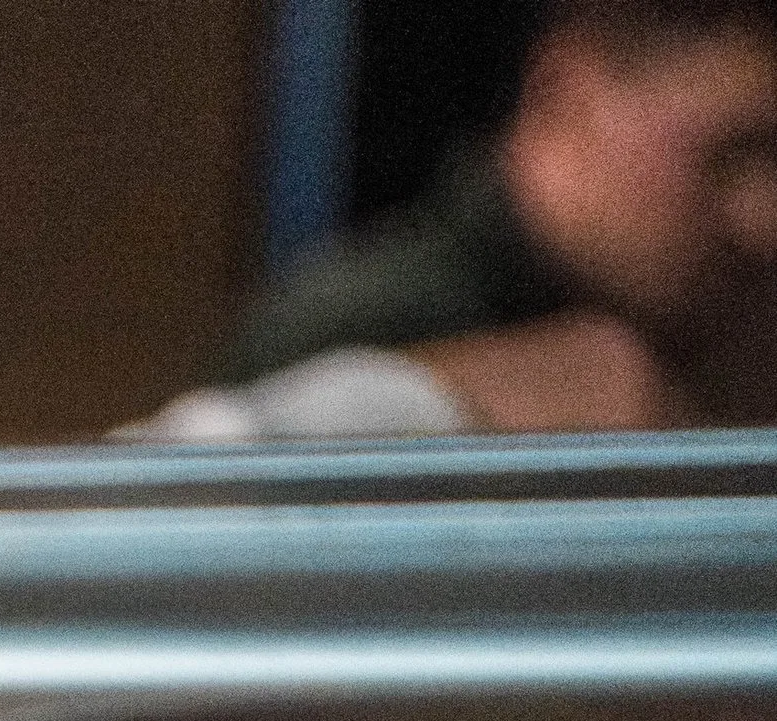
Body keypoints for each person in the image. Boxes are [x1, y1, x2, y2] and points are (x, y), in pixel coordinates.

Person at [158, 0, 777, 439]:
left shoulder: (703, 326)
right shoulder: (355, 324)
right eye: (730, 155)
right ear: (564, 93)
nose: (762, 218)